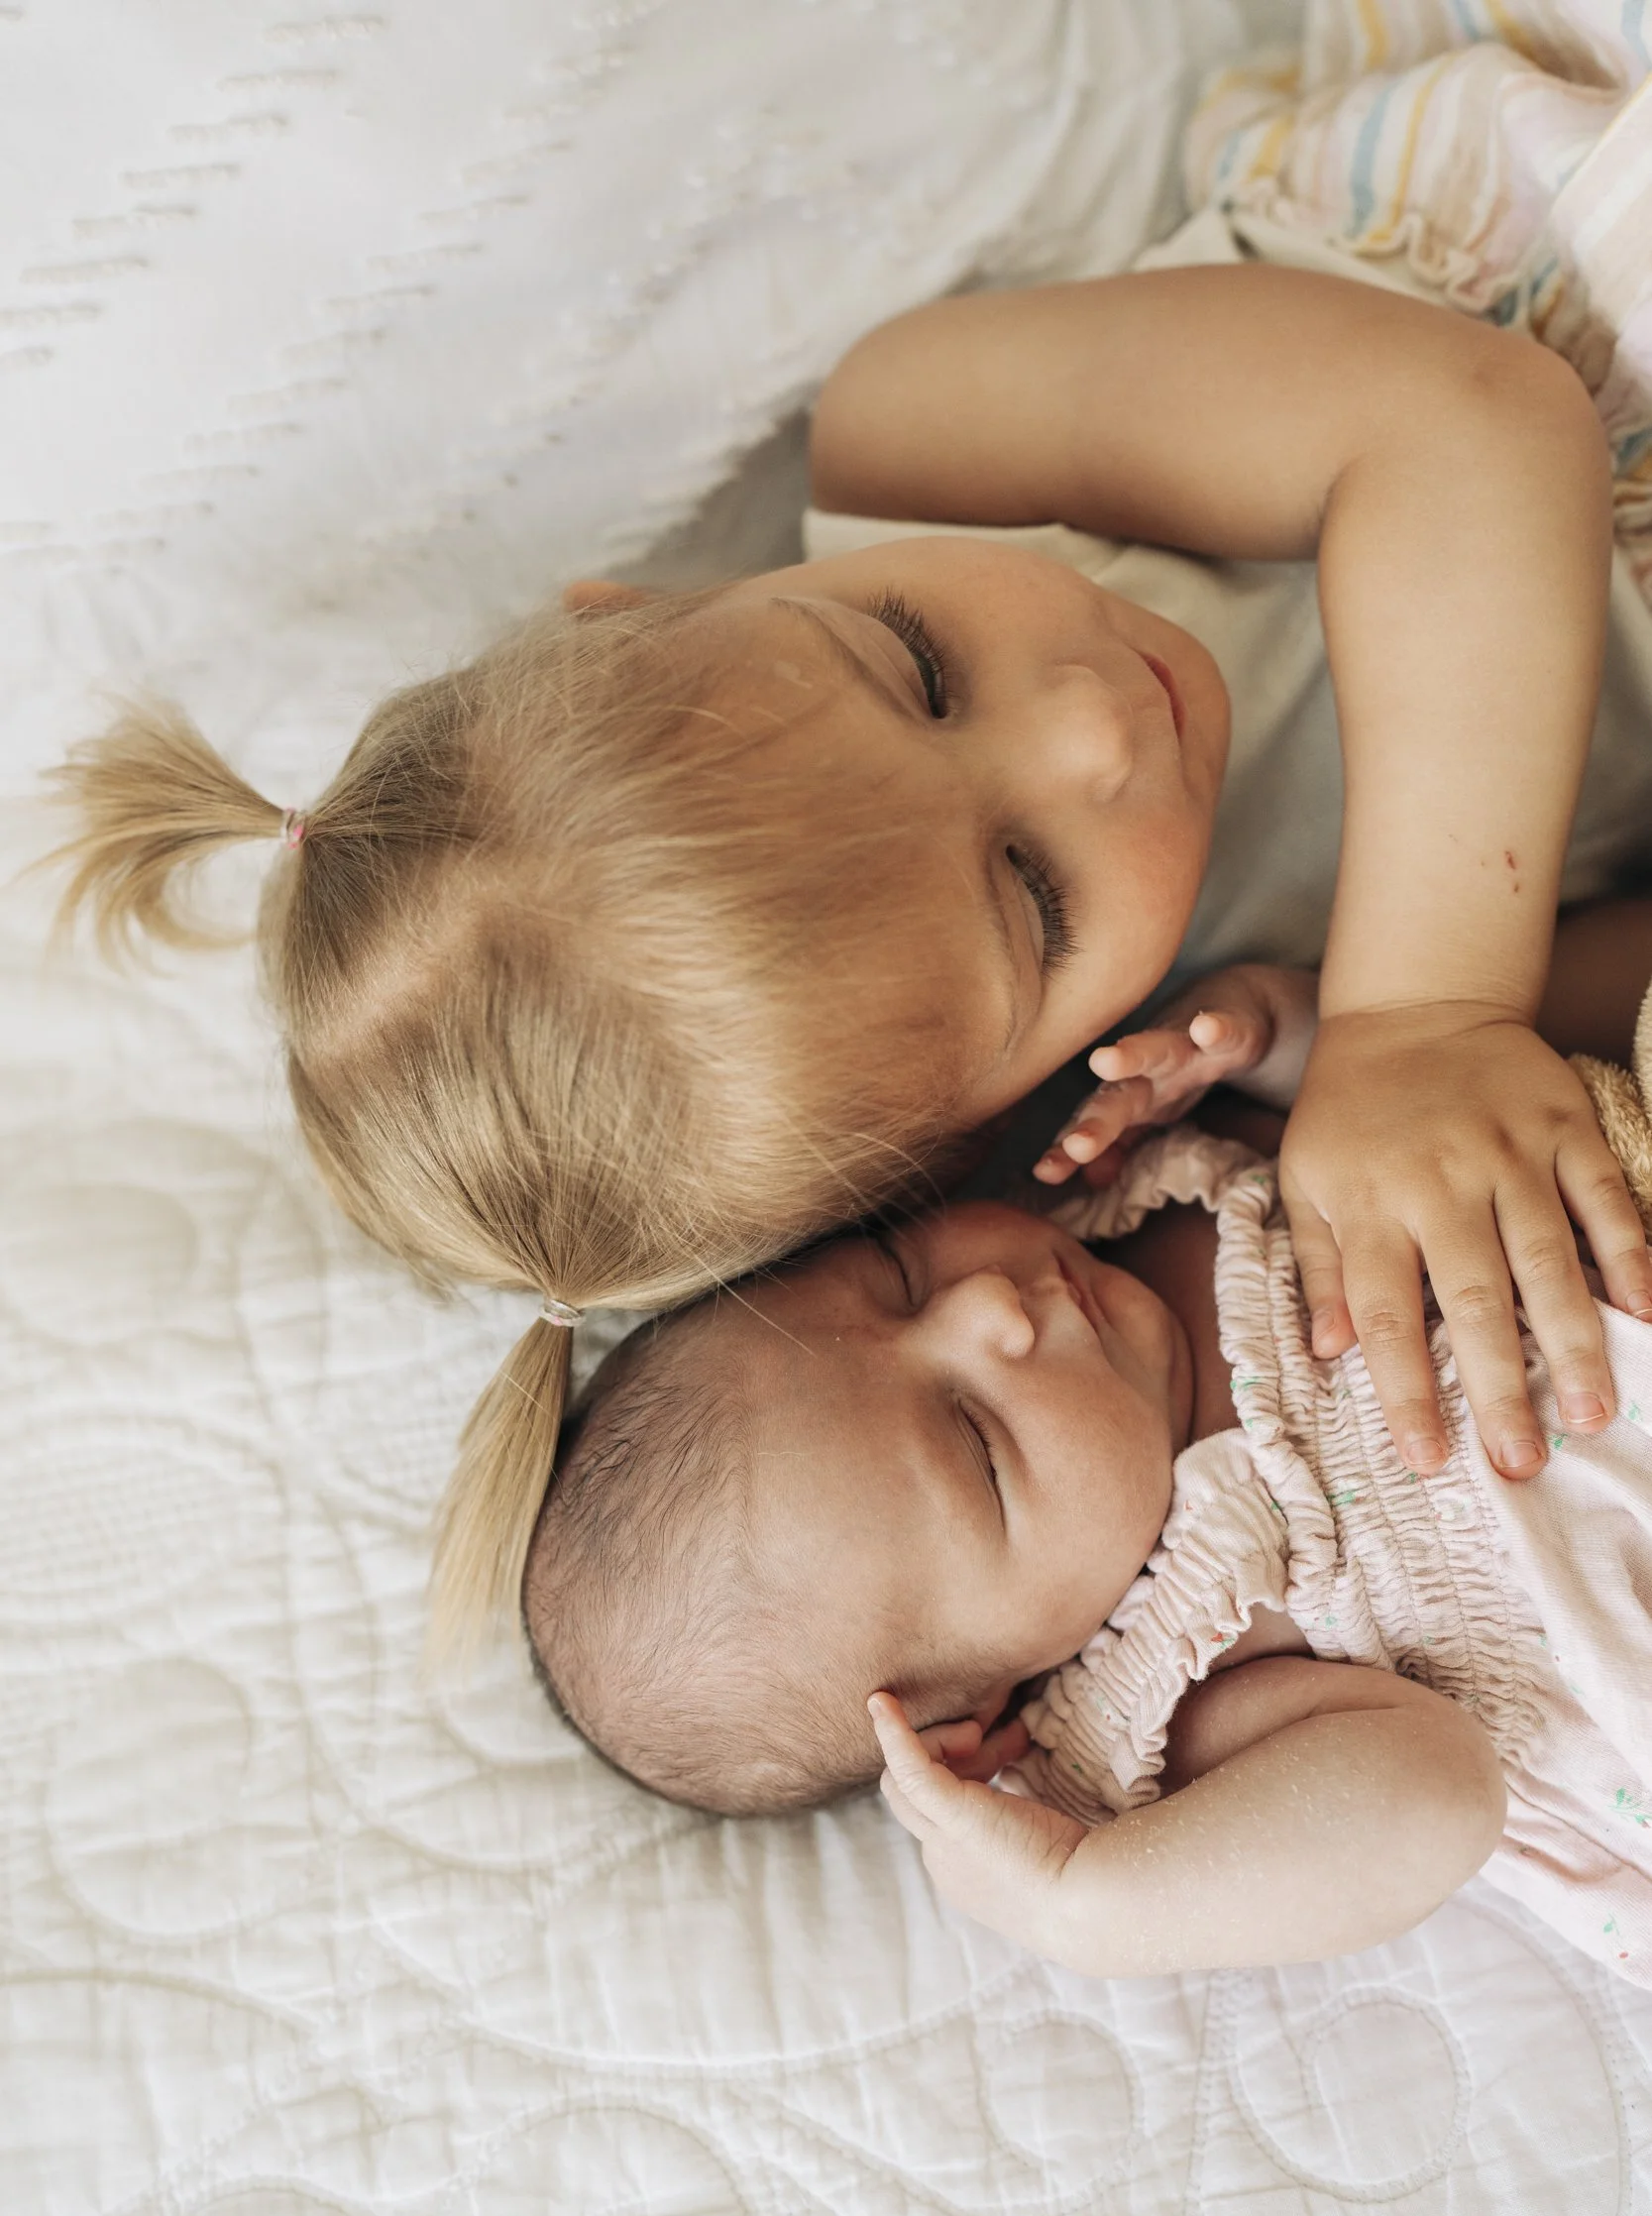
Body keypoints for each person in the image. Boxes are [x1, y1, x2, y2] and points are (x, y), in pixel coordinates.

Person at [53, 255, 1652, 1651]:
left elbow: (1471, 419)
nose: (1092, 723)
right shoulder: (1141, 1077)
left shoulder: (931, 440)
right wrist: (1320, 1037)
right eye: (1031, 893)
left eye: (916, 661)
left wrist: (1419, 1013)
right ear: (951, 1141)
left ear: (648, 610)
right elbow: (1576, 997)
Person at [524, 903, 1652, 1983]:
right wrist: (1084, 1897)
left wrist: (1271, 1032)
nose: (987, 1314)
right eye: (972, 1440)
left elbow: (1403, 1081)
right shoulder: (1171, 1691)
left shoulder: (1137, 1185)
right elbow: (1436, 1799)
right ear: (972, 1731)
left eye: (895, 1276)